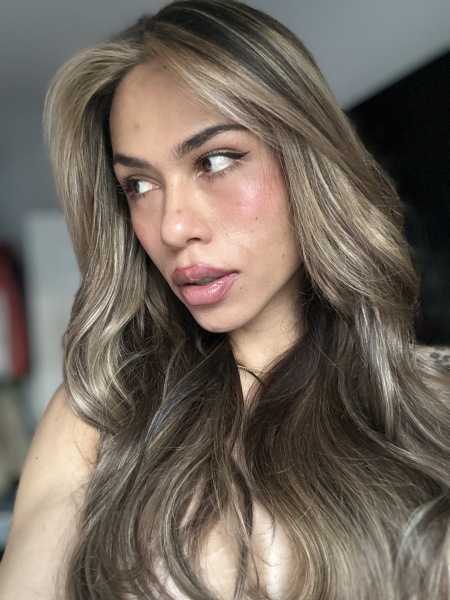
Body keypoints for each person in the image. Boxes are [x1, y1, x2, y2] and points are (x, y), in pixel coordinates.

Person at [0, 1, 449, 598]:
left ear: (307, 157)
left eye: (214, 161)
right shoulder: (98, 421)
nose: (172, 227)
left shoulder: (434, 408)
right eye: (138, 185)